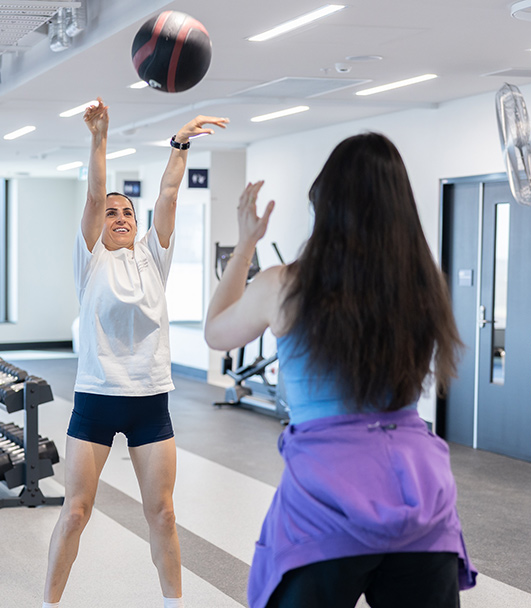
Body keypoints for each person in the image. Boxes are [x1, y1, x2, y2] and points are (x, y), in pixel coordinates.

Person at [204, 133, 477, 608]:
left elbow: (216, 333)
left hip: (326, 496)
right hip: (420, 494)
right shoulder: (424, 285)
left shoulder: (285, 286)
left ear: (325, 204)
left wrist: (247, 242)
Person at [41, 99, 227, 608]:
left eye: (127, 212)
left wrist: (180, 142)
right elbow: (96, 190)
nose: (118, 216)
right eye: (110, 212)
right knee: (76, 510)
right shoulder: (90, 258)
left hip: (150, 401)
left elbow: (168, 193)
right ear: (98, 222)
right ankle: (48, 603)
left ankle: (174, 604)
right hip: (96, 399)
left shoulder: (152, 255)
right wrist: (99, 138)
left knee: (163, 513)